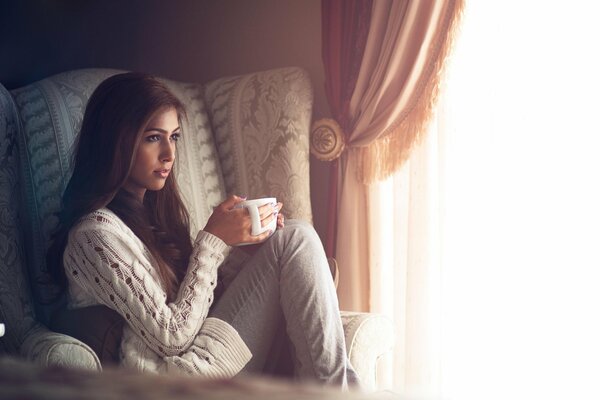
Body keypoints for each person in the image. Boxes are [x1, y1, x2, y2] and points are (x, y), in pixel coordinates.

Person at [46, 72, 359, 388]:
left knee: (289, 237)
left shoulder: (150, 216)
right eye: (153, 137)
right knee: (295, 238)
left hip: (201, 358)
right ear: (116, 141)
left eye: (174, 137)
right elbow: (172, 336)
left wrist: (242, 249)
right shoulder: (94, 236)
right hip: (176, 380)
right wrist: (213, 241)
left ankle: (337, 392)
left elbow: (194, 304)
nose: (168, 154)